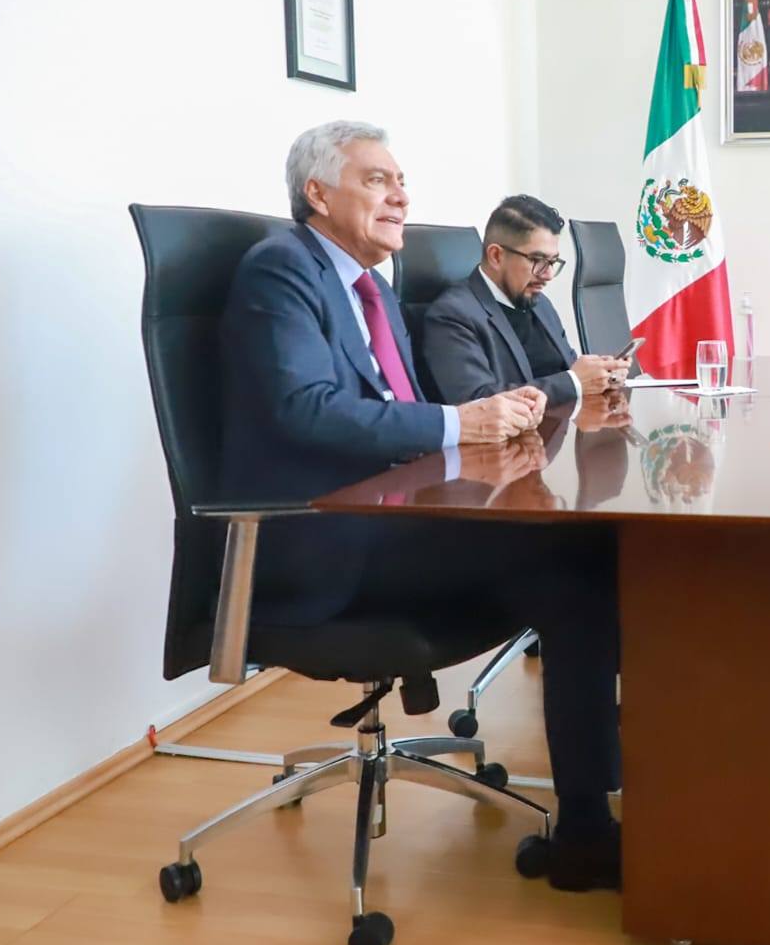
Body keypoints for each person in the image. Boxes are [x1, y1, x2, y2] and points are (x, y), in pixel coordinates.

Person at [219, 121, 623, 890]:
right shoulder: (283, 269)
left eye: (401, 181)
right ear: (318, 193)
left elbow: (399, 411)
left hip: (392, 516)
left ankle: (612, 781)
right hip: (322, 540)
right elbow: (307, 409)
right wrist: (458, 424)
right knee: (575, 564)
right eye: (377, 180)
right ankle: (586, 829)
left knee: (588, 544)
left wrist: (476, 436)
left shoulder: (373, 286)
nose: (400, 196)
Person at [422, 194, 628, 408]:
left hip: (563, 423)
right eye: (538, 260)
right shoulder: (452, 315)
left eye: (553, 262)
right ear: (496, 256)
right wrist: (574, 382)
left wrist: (601, 375)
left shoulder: (541, 303)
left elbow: (568, 368)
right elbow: (477, 401)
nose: (548, 275)